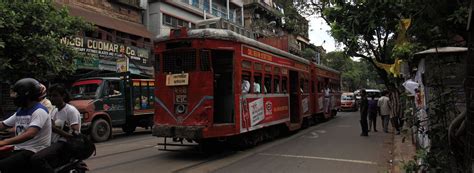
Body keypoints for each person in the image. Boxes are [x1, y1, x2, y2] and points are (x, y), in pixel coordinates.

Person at [0, 78, 52, 172]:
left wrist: (4, 142)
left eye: (17, 95)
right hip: (19, 148)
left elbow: (30, 134)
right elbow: (3, 125)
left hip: (34, 150)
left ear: (27, 95)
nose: (14, 98)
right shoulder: (22, 110)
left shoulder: (39, 111)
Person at [31, 84, 81, 173]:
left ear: (63, 96)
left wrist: (54, 128)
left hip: (65, 144)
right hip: (53, 142)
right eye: (50, 96)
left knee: (37, 158)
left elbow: (75, 134)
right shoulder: (54, 110)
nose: (52, 98)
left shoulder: (70, 110)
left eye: (55, 95)